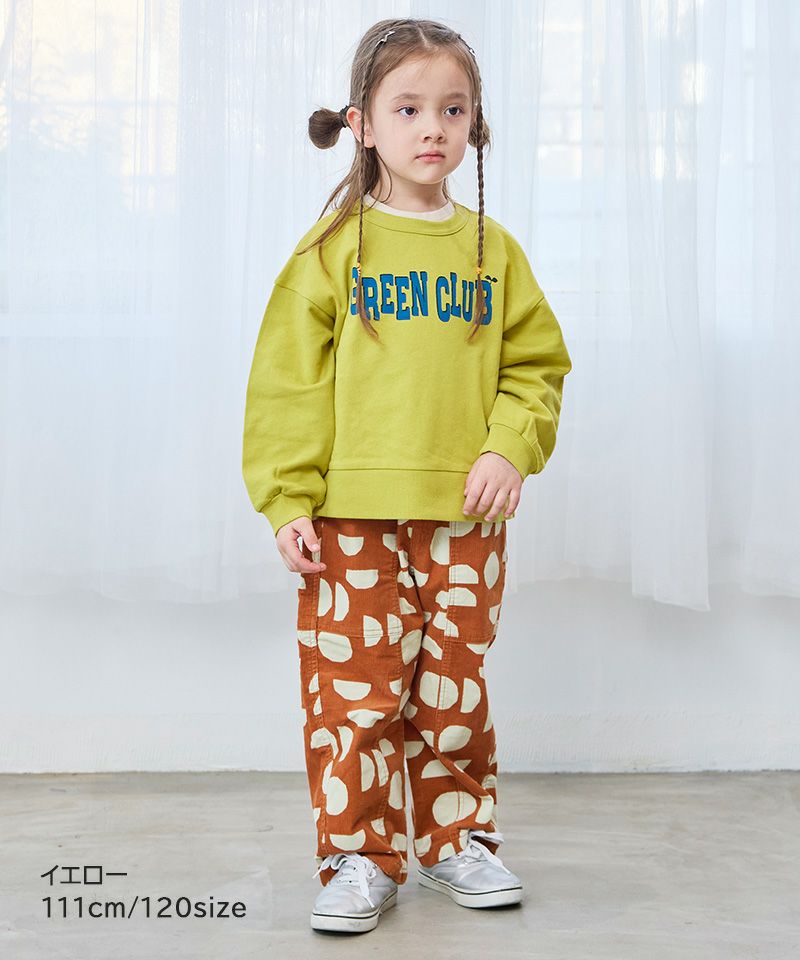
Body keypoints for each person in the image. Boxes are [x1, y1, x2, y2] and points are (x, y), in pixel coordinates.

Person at [242, 17, 573, 934]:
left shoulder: (494, 251)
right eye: (409, 108)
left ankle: (458, 839)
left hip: (464, 518)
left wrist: (509, 446)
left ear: (476, 124)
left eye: (453, 109)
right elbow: (285, 387)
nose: (434, 127)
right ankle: (359, 856)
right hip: (348, 521)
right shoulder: (328, 252)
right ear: (362, 124)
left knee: (450, 692)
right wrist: (286, 500)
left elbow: (536, 367)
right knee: (356, 696)